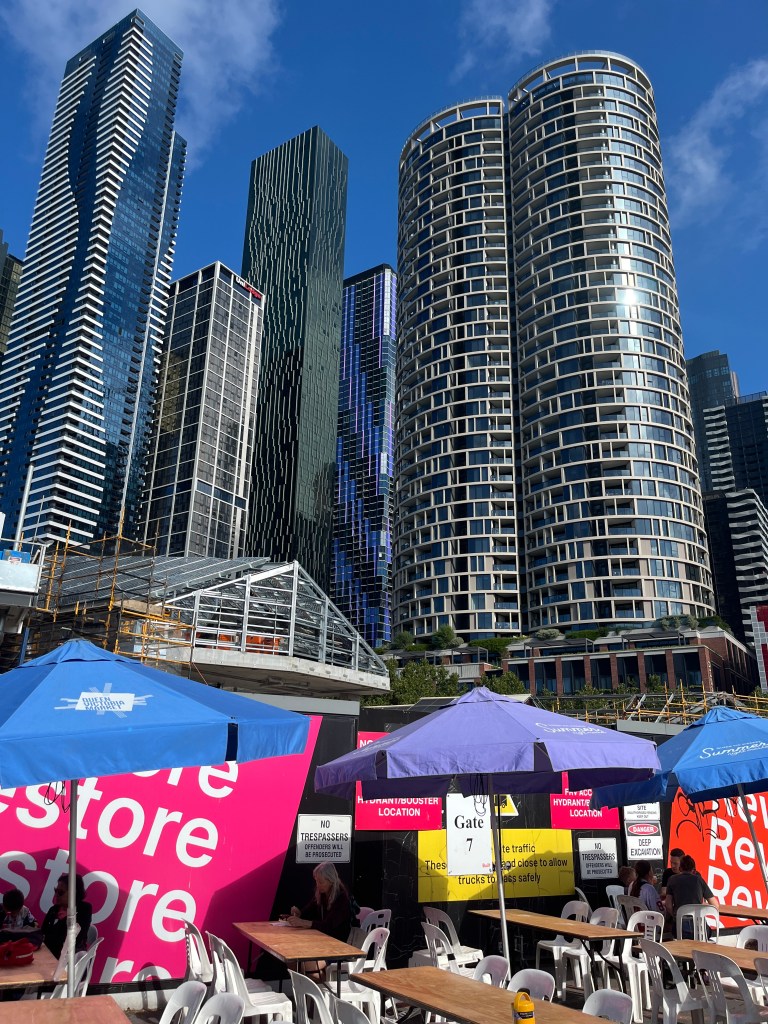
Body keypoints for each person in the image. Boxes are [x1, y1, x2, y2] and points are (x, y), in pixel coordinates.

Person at [285, 862, 354, 981]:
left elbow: (329, 926)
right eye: (316, 881)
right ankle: (319, 987)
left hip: (337, 947)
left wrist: (305, 923)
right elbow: (308, 912)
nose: (318, 885)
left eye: (321, 882)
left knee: (302, 964)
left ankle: (321, 988)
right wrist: (299, 913)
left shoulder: (341, 899)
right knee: (291, 960)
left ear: (331, 881)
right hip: (321, 943)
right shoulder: (321, 894)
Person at [665, 855, 718, 937]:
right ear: (693, 870)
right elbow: (715, 905)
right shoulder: (698, 880)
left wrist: (677, 915)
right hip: (698, 926)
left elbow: (668, 905)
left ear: (680, 869)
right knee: (709, 933)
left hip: (680, 927)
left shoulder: (672, 879)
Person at [41, 873, 92, 959]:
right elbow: (43, 932)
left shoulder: (84, 909)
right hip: (49, 954)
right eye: (55, 891)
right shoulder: (53, 909)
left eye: (60, 892)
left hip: (69, 958)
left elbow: (75, 939)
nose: (56, 895)